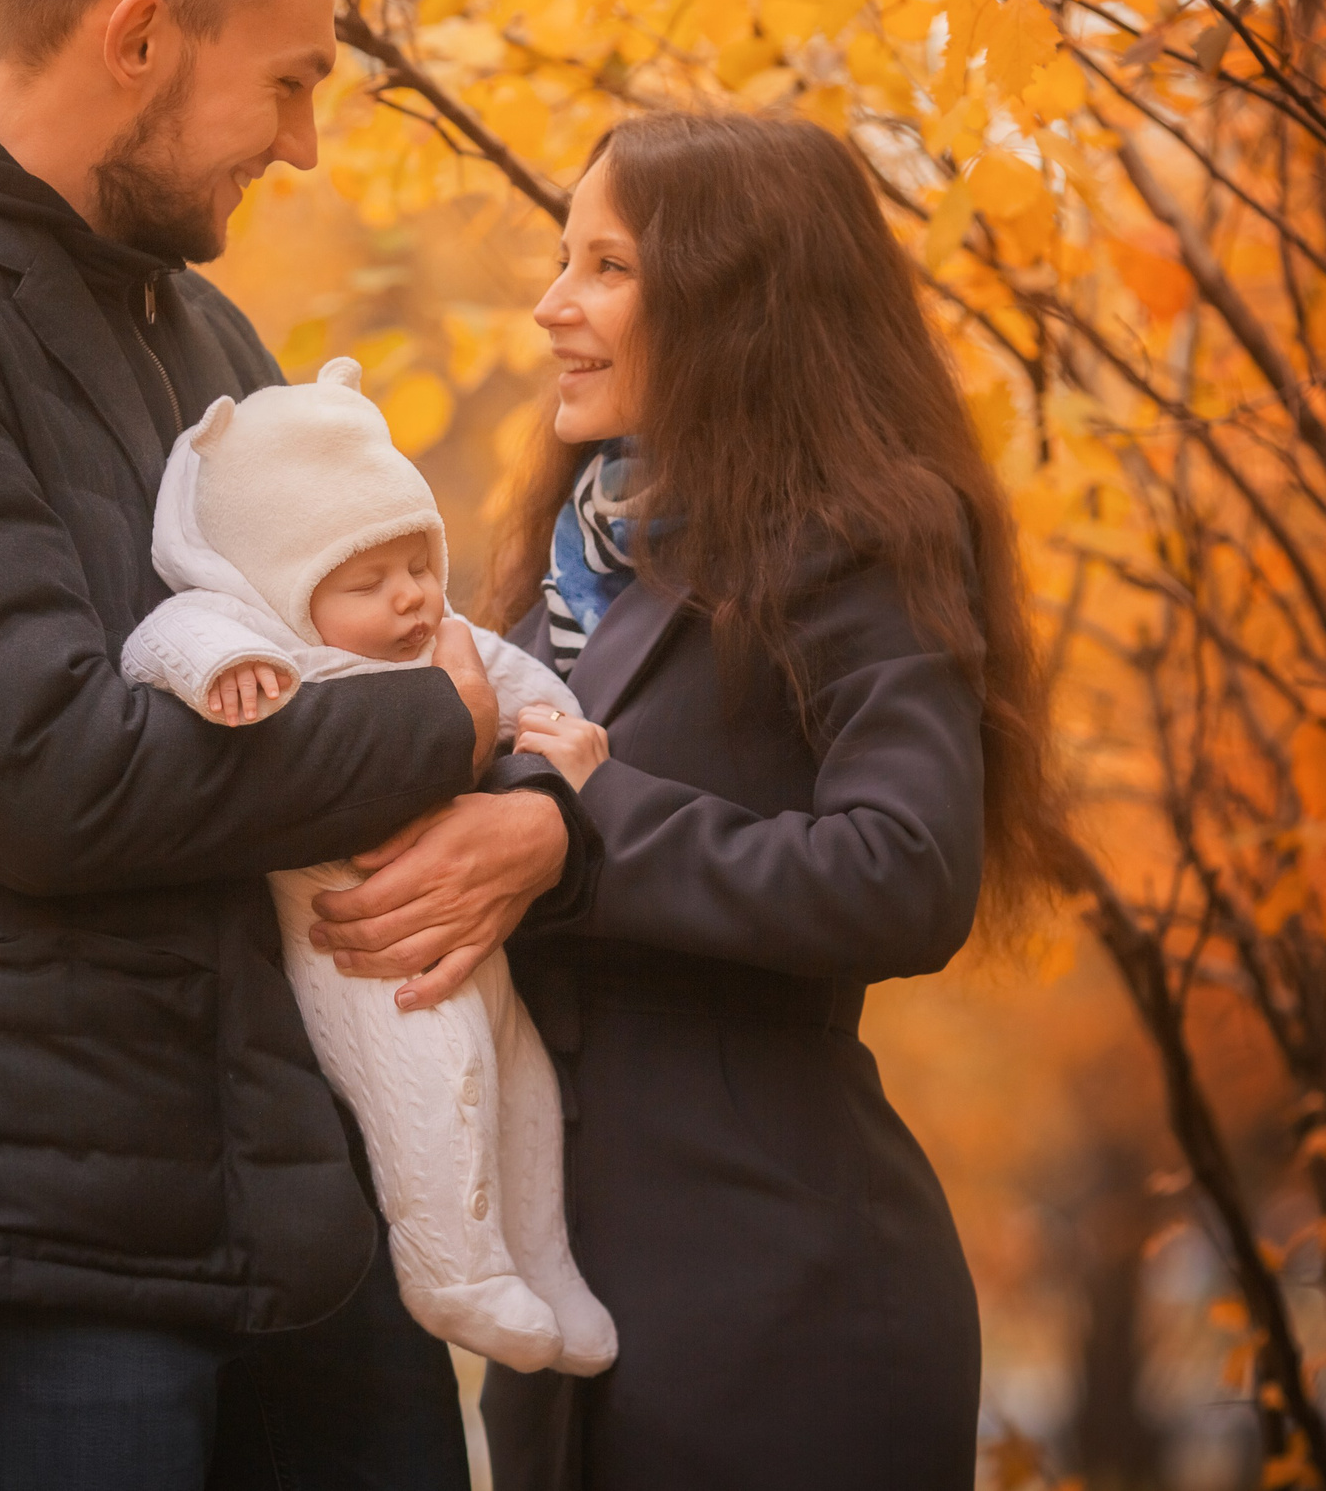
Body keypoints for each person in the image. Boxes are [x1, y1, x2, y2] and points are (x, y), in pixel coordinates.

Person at [0, 0, 596, 1491]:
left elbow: (372, 653)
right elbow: (43, 775)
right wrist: (443, 725)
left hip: (297, 1207)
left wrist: (527, 797)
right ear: (137, 39)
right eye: (286, 83)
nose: (310, 145)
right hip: (41, 1234)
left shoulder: (203, 334)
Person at [311, 111, 1070, 1488]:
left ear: (736, 295)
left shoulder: (863, 536)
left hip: (786, 1304)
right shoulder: (561, 573)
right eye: (562, 259)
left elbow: (908, 870)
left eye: (607, 267)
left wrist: (577, 834)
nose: (551, 307)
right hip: (565, 1330)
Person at [119, 358, 617, 1377]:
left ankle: (543, 1258)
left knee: (521, 1083)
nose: (407, 597)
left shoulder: (439, 638)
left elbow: (526, 690)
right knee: (432, 1077)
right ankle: (453, 1267)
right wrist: (224, 670)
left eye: (418, 564)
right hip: (354, 940)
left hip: (469, 932)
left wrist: (563, 745)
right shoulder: (262, 636)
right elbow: (160, 639)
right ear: (286, 589)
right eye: (366, 580)